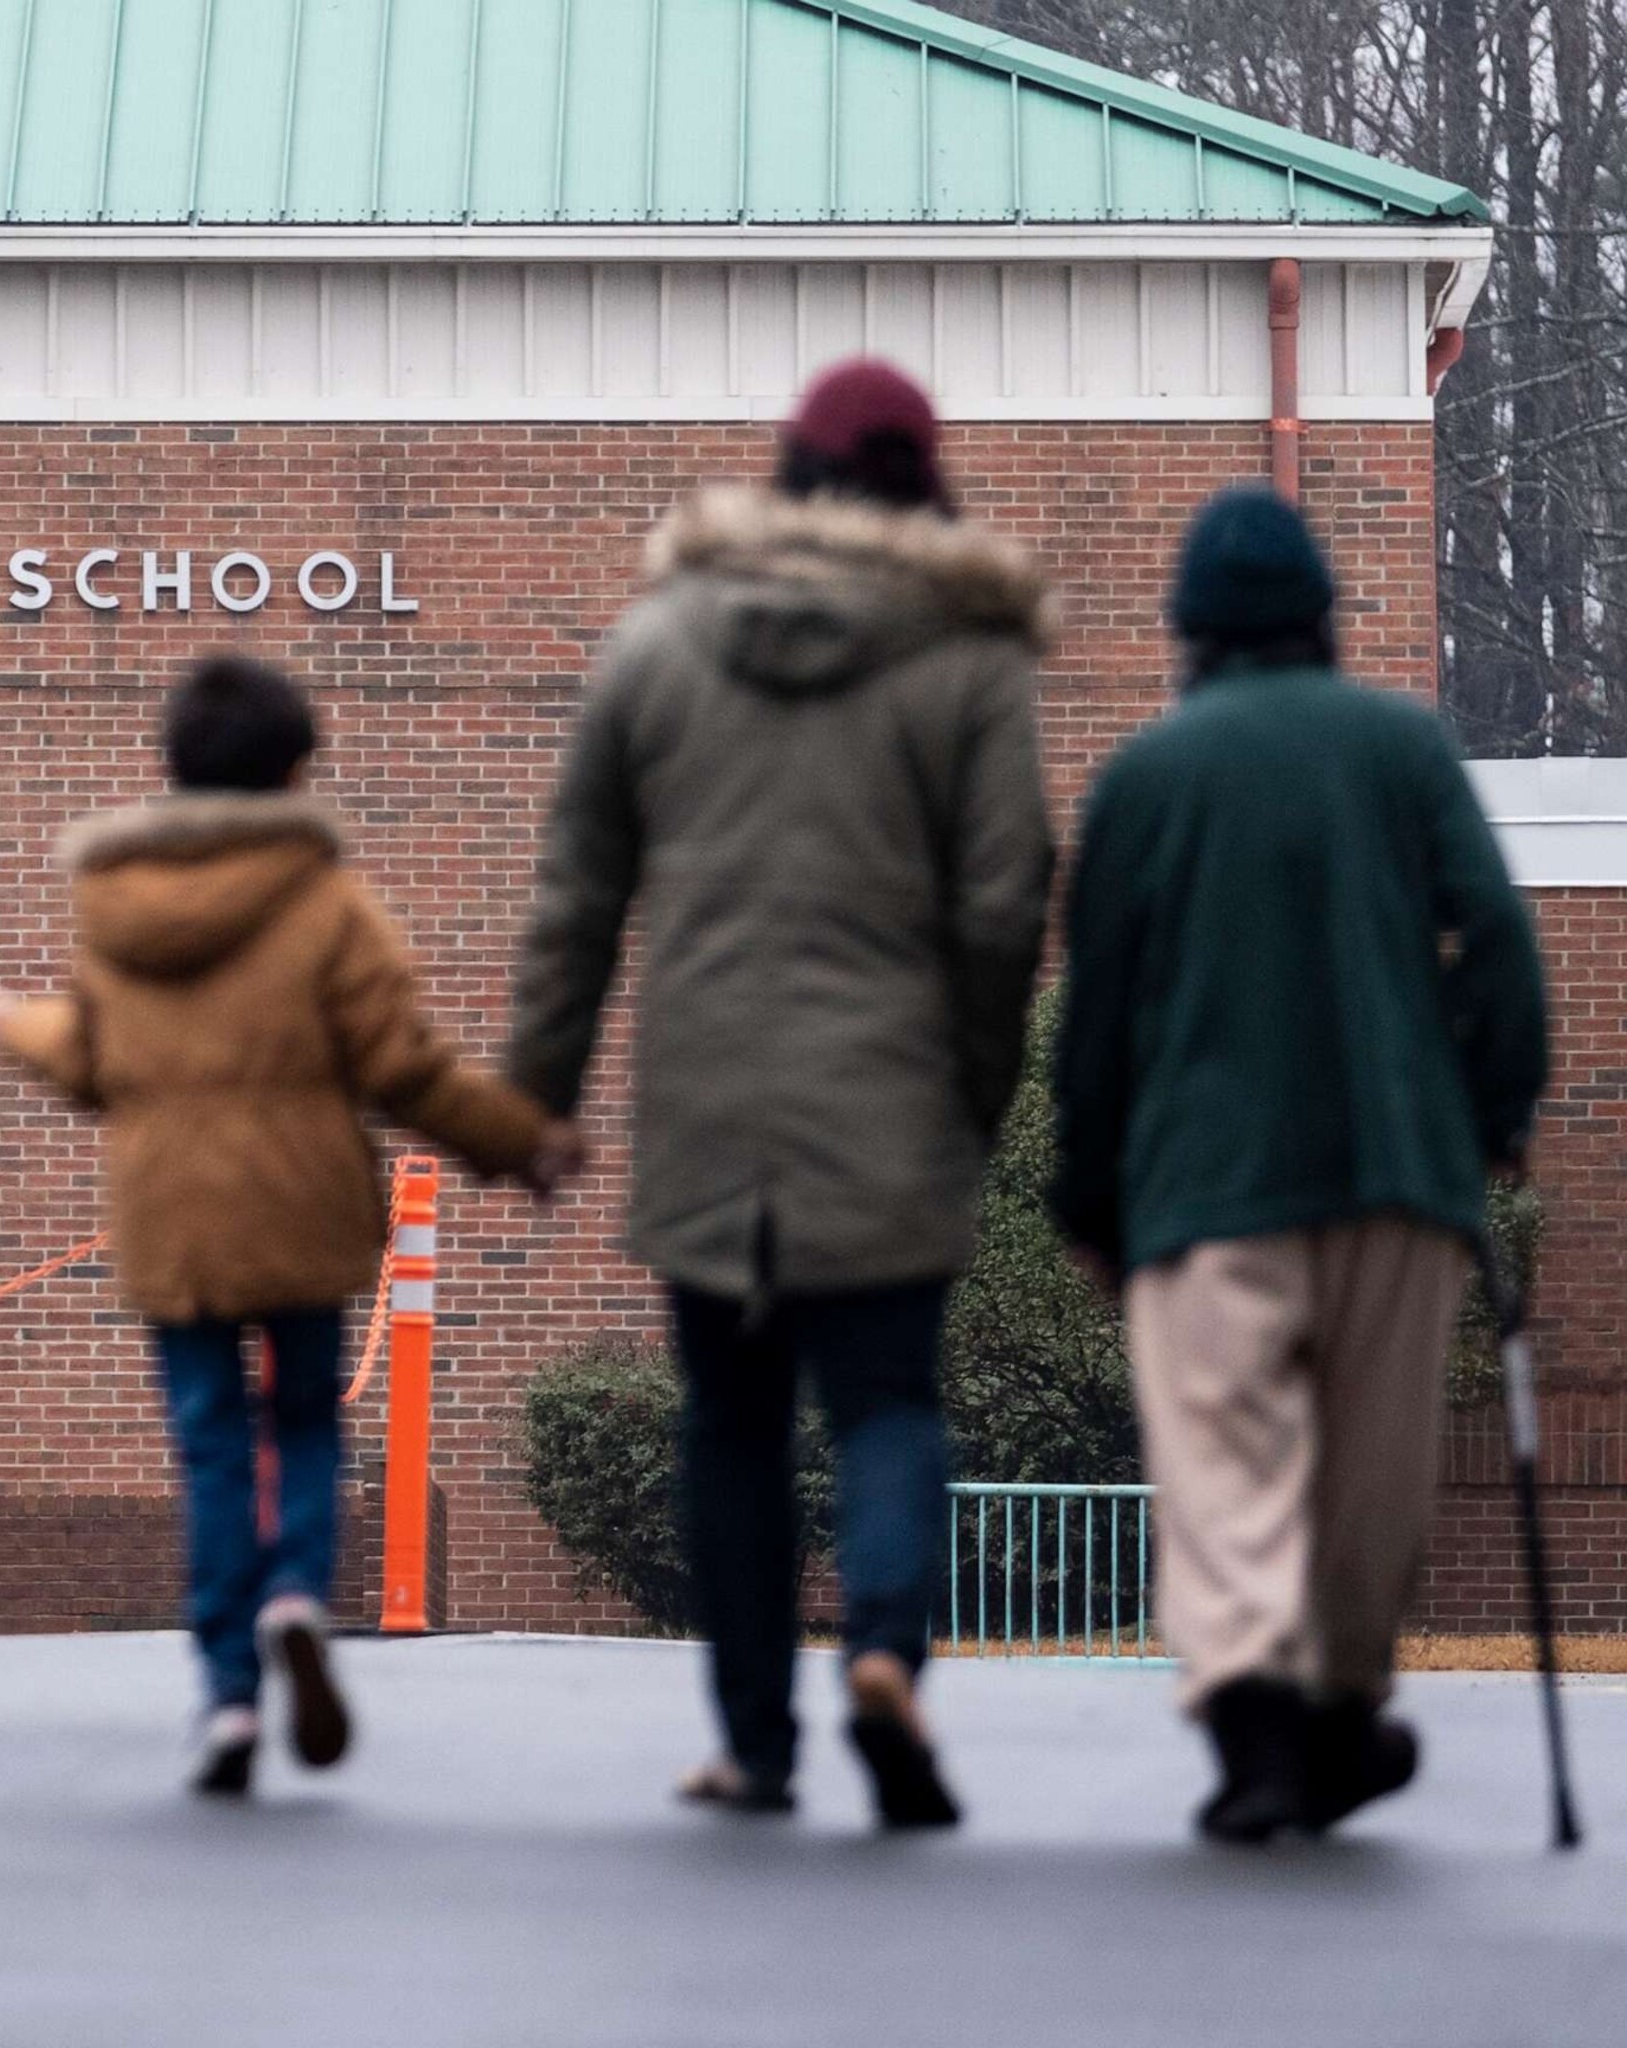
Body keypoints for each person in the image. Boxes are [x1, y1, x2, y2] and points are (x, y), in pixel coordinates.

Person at [505, 358, 1055, 1830]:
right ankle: (882, 1648)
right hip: (892, 1104)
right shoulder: (970, 659)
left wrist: (537, 1098)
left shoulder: (663, 642)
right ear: (924, 490)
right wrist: (979, 1089)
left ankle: (756, 1744)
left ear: (786, 477)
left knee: (730, 1425)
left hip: (711, 1113)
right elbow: (1008, 906)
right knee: (884, 1399)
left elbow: (578, 893)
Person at [0, 653, 566, 1797]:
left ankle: (229, 1693)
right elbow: (404, 1066)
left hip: (171, 1214)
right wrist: (515, 1140)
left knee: (211, 1442)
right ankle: (295, 1593)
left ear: (171, 769)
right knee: (305, 1421)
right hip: (302, 1204)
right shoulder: (327, 902)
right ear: (293, 770)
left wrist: (10, 1023)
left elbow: (91, 1059)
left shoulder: (115, 905)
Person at [1050, 485, 1549, 1845]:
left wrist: (1087, 1195)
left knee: (1224, 1460)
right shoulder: (1403, 750)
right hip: (1398, 1174)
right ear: (1325, 620)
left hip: (1209, 1189)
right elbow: (1501, 949)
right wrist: (1492, 1121)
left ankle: (1258, 1723)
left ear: (1190, 635)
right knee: (1370, 1469)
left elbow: (1095, 1021)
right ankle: (1339, 1706)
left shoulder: (1148, 779)